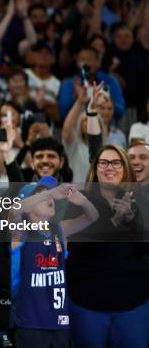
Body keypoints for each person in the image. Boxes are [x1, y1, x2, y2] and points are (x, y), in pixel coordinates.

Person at [66, 144, 149, 348]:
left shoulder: (142, 200)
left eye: (115, 162)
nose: (109, 167)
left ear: (125, 168)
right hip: (88, 302)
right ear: (95, 169)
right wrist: (115, 221)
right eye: (103, 162)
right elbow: (78, 248)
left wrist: (131, 220)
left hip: (133, 303)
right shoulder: (79, 201)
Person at [9, 177, 98, 348]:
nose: (50, 198)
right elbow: (14, 211)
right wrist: (49, 192)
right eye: (41, 196)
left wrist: (83, 201)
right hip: (30, 322)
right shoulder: (20, 232)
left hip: (59, 321)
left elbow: (92, 217)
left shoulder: (59, 230)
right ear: (27, 207)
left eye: (50, 196)